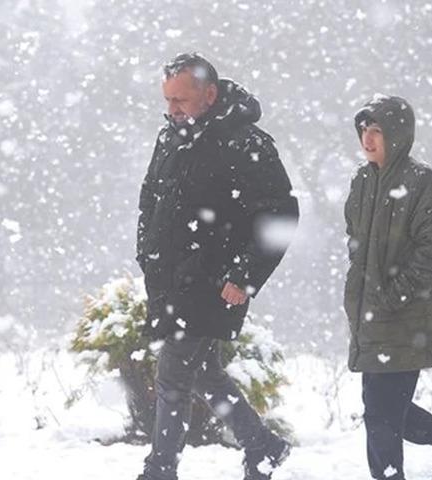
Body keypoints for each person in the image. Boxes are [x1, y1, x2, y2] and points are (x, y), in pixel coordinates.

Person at [135, 52, 298, 480]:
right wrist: (146, 252)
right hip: (170, 280)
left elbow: (280, 214)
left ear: (209, 95)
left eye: (181, 100)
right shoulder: (170, 137)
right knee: (205, 374)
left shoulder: (246, 143)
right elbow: (150, 198)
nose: (172, 110)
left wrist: (245, 275)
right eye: (168, 100)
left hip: (215, 283)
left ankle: (159, 470)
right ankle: (263, 445)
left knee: (172, 375)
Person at [343, 94, 432, 480]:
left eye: (377, 131)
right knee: (381, 410)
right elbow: (354, 237)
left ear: (396, 135)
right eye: (364, 130)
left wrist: (394, 293)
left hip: (406, 319)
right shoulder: (362, 180)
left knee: (381, 415)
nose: (367, 139)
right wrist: (361, 289)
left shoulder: (419, 180)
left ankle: (408, 464)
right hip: (370, 316)